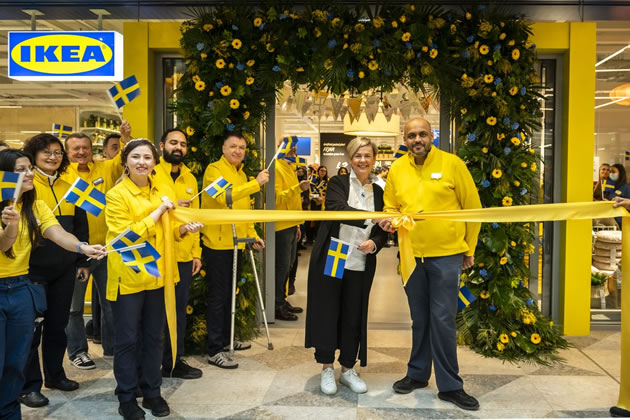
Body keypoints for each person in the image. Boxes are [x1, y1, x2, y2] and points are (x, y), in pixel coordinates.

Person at [380, 118, 482, 411]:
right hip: (411, 256)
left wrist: (469, 249)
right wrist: (389, 219)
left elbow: (472, 209)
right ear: (405, 138)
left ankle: (450, 386)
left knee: (443, 320)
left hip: (447, 255)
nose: (417, 139)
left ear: (432, 136)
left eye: (422, 134)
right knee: (420, 319)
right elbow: (391, 205)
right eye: (411, 135)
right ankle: (417, 374)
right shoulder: (397, 168)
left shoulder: (453, 164)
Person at [0, 149, 105, 420]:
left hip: (22, 290)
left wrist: (82, 247)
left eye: (29, 168)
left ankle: (10, 413)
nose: (30, 174)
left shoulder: (35, 205)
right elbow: (4, 245)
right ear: (5, 176)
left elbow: (56, 231)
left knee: (15, 362)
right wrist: (11, 226)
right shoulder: (8, 209)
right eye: (21, 169)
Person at [105, 139, 202, 419]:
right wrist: (157, 213)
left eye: (147, 157)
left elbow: (166, 232)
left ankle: (152, 392)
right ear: (125, 161)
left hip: (159, 277)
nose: (142, 162)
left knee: (154, 337)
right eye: (135, 157)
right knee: (127, 340)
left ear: (155, 162)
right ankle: (127, 396)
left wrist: (183, 230)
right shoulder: (116, 195)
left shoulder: (161, 190)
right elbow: (124, 237)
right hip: (129, 278)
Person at [305, 137, 388, 396]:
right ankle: (327, 366)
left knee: (354, 313)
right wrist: (371, 219)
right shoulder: (338, 183)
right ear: (350, 159)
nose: (362, 160)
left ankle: (348, 367)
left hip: (362, 259)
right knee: (329, 309)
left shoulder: (380, 191)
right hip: (336, 253)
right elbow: (338, 208)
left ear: (373, 159)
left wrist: (374, 243)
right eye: (357, 155)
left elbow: (384, 229)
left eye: (367, 156)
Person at [19, 134, 91, 408]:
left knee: (58, 326)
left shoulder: (71, 184)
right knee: (31, 330)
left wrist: (81, 261)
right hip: (32, 270)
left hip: (64, 268)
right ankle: (29, 386)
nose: (53, 157)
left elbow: (79, 223)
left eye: (58, 152)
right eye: (47, 152)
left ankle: (55, 375)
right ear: (33, 154)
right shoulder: (25, 184)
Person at [201, 132, 268, 369]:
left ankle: (228, 338)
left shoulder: (241, 174)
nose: (238, 151)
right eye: (233, 146)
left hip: (238, 242)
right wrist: (255, 184)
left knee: (231, 293)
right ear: (223, 148)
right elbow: (222, 198)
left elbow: (244, 211)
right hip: (218, 244)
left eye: (241, 147)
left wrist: (253, 235)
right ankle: (215, 349)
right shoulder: (214, 170)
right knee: (219, 297)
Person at [63, 130, 127, 371]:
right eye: (75, 148)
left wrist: (127, 137)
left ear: (93, 150)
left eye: (85, 148)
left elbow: (125, 158)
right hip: (76, 252)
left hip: (106, 249)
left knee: (112, 302)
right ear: (67, 152)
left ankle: (113, 348)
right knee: (74, 307)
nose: (81, 152)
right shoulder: (62, 176)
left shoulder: (104, 169)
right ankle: (78, 351)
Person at [154, 128, 203, 380]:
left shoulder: (191, 179)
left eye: (183, 144)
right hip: (156, 255)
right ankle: (153, 362)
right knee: (155, 311)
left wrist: (196, 253)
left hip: (183, 255)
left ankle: (174, 361)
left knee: (179, 310)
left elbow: (195, 217)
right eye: (173, 143)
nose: (178, 148)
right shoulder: (151, 173)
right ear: (161, 145)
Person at [275, 138, 310, 321]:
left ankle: (282, 299)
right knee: (281, 266)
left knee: (288, 265)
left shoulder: (290, 168)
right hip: (280, 225)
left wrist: (297, 225)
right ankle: (277, 304)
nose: (293, 150)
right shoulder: (276, 167)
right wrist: (297, 188)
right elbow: (276, 198)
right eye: (290, 147)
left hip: (291, 224)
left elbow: (292, 200)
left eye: (294, 148)